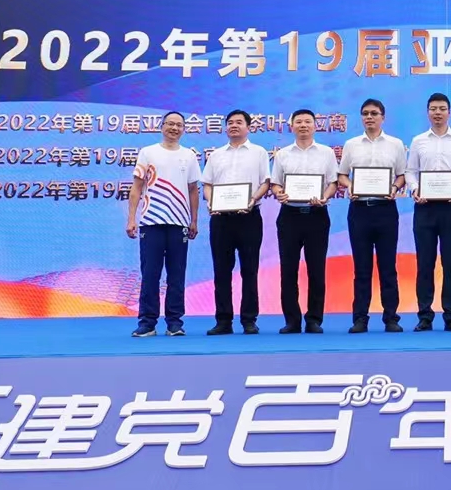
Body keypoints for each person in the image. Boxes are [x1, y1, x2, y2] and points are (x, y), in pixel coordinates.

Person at [126, 113, 200, 338]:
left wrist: (194, 220)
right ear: (162, 127)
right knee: (150, 274)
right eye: (170, 124)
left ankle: (174, 323)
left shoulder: (189, 155)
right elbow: (137, 187)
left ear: (184, 129)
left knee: (177, 275)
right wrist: (131, 218)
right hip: (151, 222)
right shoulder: (148, 152)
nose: (174, 128)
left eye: (179, 125)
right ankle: (147, 323)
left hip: (179, 222)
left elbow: (193, 190)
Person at [405, 92, 451, 331]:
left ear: (449, 112)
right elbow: (410, 172)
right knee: (425, 263)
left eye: (442, 108)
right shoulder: (418, 141)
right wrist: (415, 189)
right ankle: (425, 315)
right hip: (424, 208)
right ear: (427, 112)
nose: (438, 113)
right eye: (433, 109)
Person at [337, 98, 406, 333]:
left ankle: (391, 318)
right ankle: (360, 318)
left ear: (383, 117)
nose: (369, 117)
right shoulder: (351, 144)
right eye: (365, 113)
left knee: (388, 267)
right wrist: (351, 186)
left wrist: (394, 188)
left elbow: (402, 175)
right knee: (362, 268)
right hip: (359, 211)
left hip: (386, 210)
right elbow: (342, 174)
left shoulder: (395, 144)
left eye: (374, 113)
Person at [270, 108, 339, 334]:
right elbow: (275, 183)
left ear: (315, 126)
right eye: (298, 122)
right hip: (289, 216)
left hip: (317, 215)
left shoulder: (326, 153)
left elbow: (333, 182)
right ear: (291, 126)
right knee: (288, 269)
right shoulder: (282, 154)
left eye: (307, 122)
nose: (303, 125)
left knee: (316, 269)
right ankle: (292, 320)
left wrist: (324, 197)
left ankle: (314, 319)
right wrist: (279, 193)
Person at [203, 109, 269, 335]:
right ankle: (223, 320)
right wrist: (211, 202)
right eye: (230, 122)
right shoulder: (216, 155)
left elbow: (265, 182)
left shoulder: (259, 152)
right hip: (220, 219)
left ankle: (249, 320)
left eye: (239, 122)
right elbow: (208, 184)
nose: (233, 126)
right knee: (221, 271)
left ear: (248, 127)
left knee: (249, 270)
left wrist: (252, 200)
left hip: (249, 217)